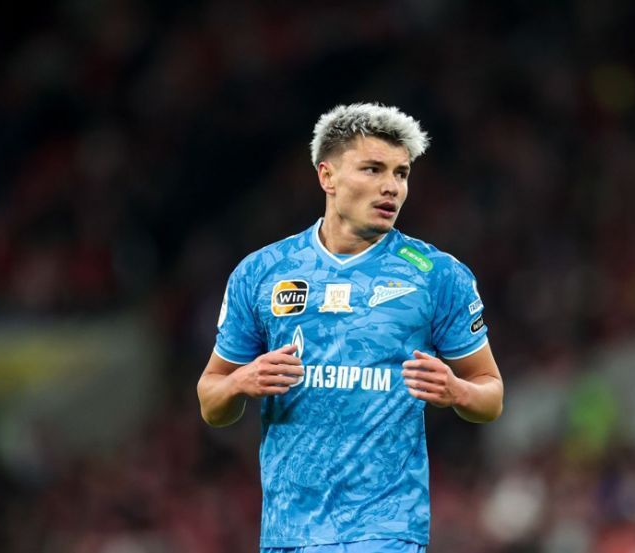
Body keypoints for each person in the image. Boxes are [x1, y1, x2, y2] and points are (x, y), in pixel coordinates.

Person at [197, 103, 504, 553]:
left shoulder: (438, 275)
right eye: (373, 169)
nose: (391, 187)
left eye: (401, 173)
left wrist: (457, 391)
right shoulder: (262, 272)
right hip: (287, 531)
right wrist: (240, 382)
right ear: (328, 176)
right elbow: (211, 402)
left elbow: (491, 395)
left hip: (386, 530)